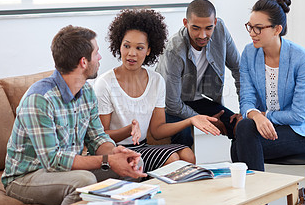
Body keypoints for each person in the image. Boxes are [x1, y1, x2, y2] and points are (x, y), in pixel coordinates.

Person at [1, 25, 147, 205]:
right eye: (96, 53)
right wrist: (108, 160)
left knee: (133, 164)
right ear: (84, 62)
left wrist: (116, 153)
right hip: (26, 177)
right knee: (83, 180)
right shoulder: (40, 100)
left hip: (64, 170)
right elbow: (53, 161)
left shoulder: (86, 91)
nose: (100, 58)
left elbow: (97, 138)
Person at [94, 9, 220, 173]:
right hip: (117, 151)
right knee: (172, 159)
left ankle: (181, 198)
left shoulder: (156, 80)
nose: (131, 53)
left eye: (139, 48)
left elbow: (157, 130)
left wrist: (191, 120)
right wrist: (128, 130)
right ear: (119, 45)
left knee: (188, 155)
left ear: (148, 50)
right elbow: (101, 137)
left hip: (143, 147)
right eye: (126, 46)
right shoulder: (105, 83)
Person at [232, 0, 305, 205]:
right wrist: (255, 115)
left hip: (299, 132)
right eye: (249, 27)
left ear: (277, 29)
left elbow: (298, 115)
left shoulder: (301, 58)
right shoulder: (249, 54)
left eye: (258, 28)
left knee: (239, 148)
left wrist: (264, 115)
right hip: (264, 127)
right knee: (243, 134)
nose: (252, 33)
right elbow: (247, 99)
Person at [155, 0, 241, 148]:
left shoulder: (220, 29)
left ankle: (242, 170)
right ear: (185, 23)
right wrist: (200, 119)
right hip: (169, 104)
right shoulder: (173, 51)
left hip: (195, 99)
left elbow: (239, 69)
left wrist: (244, 109)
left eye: (208, 28)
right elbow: (173, 104)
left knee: (239, 126)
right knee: (183, 135)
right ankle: (185, 170)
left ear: (215, 22)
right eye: (195, 28)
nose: (202, 35)